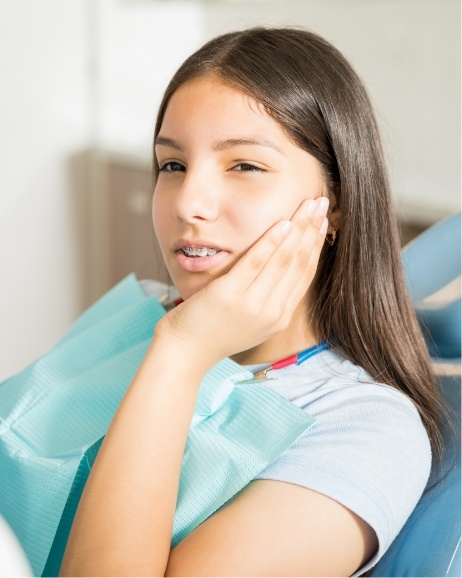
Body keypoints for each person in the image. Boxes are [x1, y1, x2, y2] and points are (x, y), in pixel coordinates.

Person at [59, 27, 443, 577]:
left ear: (334, 206)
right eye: (173, 165)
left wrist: (182, 353)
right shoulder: (137, 312)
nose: (189, 202)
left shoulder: (367, 428)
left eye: (244, 166)